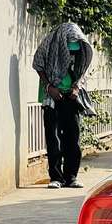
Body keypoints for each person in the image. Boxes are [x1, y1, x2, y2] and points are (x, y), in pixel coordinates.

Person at [32, 23, 94, 189]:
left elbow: (84, 70)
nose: (71, 56)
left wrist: (76, 87)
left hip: (72, 97)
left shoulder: (81, 47)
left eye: (74, 52)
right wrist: (49, 87)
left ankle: (71, 177)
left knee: (73, 138)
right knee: (54, 138)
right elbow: (38, 64)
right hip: (53, 97)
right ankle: (56, 177)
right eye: (68, 51)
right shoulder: (50, 44)